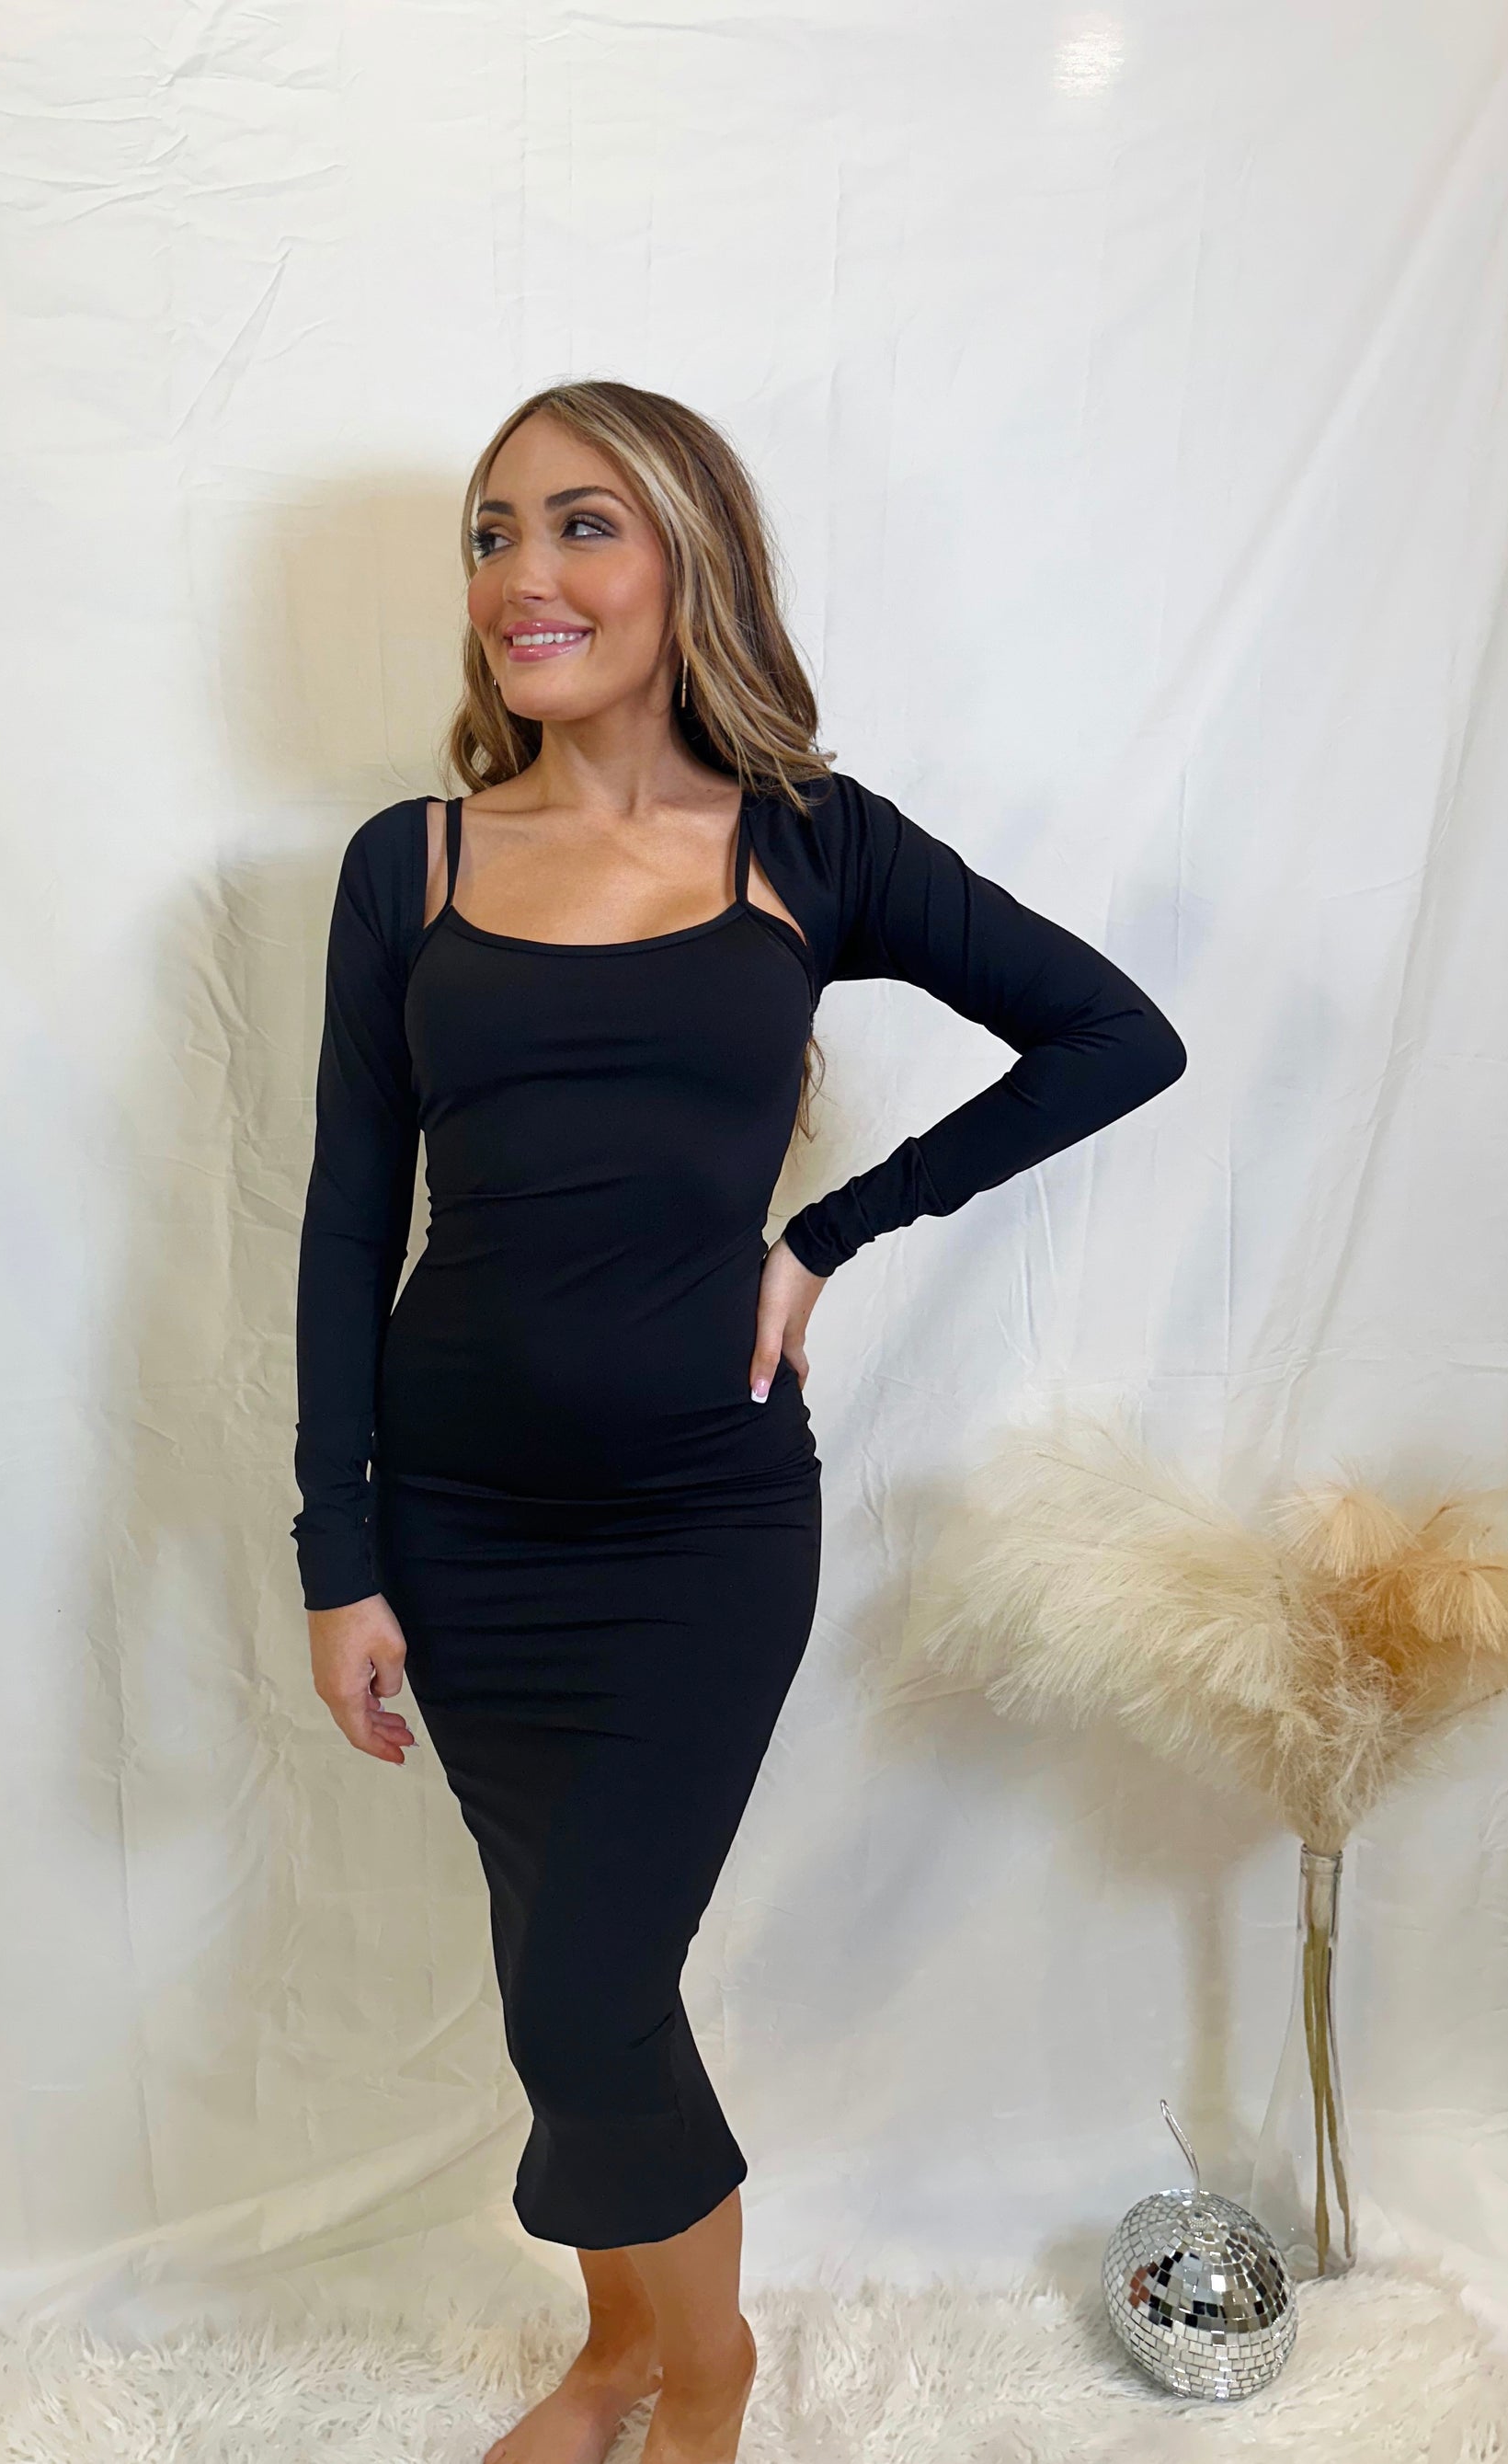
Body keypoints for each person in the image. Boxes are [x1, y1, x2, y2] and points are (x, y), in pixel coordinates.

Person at [290, 379, 1186, 2464]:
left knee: (586, 1985)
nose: (523, 574)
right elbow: (344, 1219)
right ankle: (621, 2346)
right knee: (559, 1966)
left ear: (691, 556)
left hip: (695, 1529)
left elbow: (1110, 1034)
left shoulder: (810, 843)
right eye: (492, 532)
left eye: (580, 523)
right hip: (458, 1522)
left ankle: (707, 2373)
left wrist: (835, 1229)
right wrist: (339, 1551)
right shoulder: (408, 863)